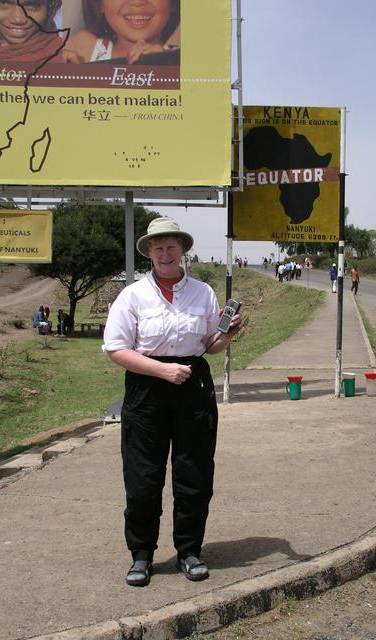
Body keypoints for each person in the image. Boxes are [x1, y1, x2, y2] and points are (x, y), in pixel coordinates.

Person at [102, 218, 242, 587]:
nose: (165, 254)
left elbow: (209, 346)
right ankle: (142, 555)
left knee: (194, 473)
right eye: (158, 248)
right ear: (149, 252)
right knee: (143, 477)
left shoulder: (203, 293)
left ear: (183, 251)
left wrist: (228, 336)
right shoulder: (132, 296)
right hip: (147, 390)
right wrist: (162, 372)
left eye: (172, 247)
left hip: (193, 386)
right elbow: (116, 348)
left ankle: (190, 550)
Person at [64, 0, 180, 64]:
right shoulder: (84, 49)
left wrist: (164, 63)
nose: (138, 2)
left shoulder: (185, 64)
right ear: (99, 4)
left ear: (173, 3)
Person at [0, 0, 64, 63]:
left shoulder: (63, 59)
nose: (18, 19)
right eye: (4, 3)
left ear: (50, 4)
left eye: (32, 5)